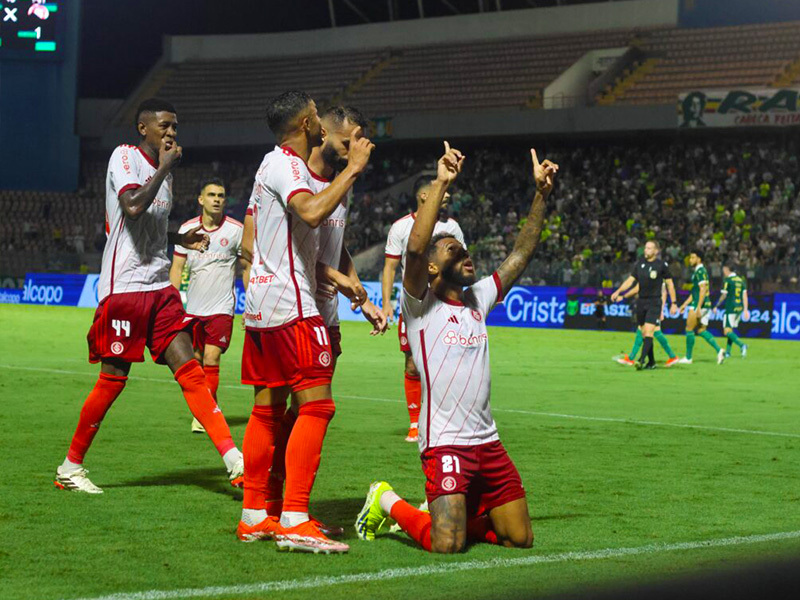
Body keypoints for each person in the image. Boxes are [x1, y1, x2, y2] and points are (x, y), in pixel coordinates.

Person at [355, 143, 558, 553]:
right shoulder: (420, 306)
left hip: (488, 441)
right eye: (454, 251)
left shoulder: (478, 298)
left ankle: (461, 515)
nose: (467, 254)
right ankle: (387, 500)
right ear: (432, 268)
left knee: (520, 539)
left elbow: (520, 253)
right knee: (447, 545)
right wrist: (442, 183)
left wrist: (541, 195)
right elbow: (413, 250)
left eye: (465, 250)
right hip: (445, 442)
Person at [54, 99, 243, 494]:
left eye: (175, 126)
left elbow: (150, 228)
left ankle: (234, 460)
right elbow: (133, 207)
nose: (172, 132)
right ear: (143, 129)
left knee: (190, 370)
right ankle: (70, 467)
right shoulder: (124, 157)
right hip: (124, 288)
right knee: (112, 379)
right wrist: (164, 168)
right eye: (164, 126)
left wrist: (178, 238)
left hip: (159, 288)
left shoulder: (164, 173)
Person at [237, 91, 374, 554]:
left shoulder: (271, 164)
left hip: (262, 307)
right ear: (305, 122)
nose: (320, 121)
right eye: (316, 115)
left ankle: (256, 514)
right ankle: (294, 516)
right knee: (317, 407)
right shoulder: (288, 167)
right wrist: (354, 169)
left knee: (267, 410)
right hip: (291, 304)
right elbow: (312, 213)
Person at [382, 179, 465, 442]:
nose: (448, 194)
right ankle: (415, 424)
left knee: (449, 362)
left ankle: (444, 420)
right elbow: (390, 268)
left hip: (445, 303)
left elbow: (463, 264)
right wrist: (386, 304)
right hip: (414, 305)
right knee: (412, 365)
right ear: (424, 195)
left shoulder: (451, 227)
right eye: (443, 189)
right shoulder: (401, 227)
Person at [169, 178, 248, 433]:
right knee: (197, 361)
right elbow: (177, 268)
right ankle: (209, 406)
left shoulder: (236, 230)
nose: (217, 199)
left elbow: (247, 266)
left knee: (212, 358)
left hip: (221, 308)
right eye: (212, 195)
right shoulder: (187, 229)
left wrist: (252, 302)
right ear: (201, 200)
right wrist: (172, 304)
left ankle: (204, 416)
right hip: (193, 309)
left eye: (221, 195)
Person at [611, 240, 679, 370]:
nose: (645, 250)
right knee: (644, 333)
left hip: (654, 302)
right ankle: (651, 362)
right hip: (641, 302)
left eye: (649, 248)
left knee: (648, 332)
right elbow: (631, 281)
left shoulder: (661, 266)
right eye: (645, 248)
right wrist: (619, 292)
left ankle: (641, 360)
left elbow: (670, 285)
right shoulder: (640, 264)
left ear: (655, 251)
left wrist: (674, 303)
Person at [677, 251, 726, 365]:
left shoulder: (700, 271)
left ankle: (688, 358)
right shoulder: (698, 271)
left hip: (699, 304)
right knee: (701, 330)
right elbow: (696, 291)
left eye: (693, 257)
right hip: (705, 304)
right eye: (690, 257)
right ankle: (719, 350)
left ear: (699, 259)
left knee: (689, 329)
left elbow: (703, 289)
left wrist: (698, 307)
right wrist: (684, 304)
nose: (690, 260)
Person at [616, 282, 679, 367]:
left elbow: (663, 293)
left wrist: (661, 310)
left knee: (652, 332)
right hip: (648, 307)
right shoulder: (655, 274)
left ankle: (631, 359)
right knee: (644, 331)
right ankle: (671, 356)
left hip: (653, 307)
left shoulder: (657, 275)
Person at [714, 263, 749, 358]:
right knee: (730, 330)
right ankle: (728, 352)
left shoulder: (728, 280)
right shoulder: (741, 280)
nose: (723, 271)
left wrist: (716, 305)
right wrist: (745, 310)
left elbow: (724, 295)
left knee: (727, 331)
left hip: (730, 308)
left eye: (723, 269)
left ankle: (742, 345)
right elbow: (744, 296)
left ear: (726, 269)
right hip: (739, 308)